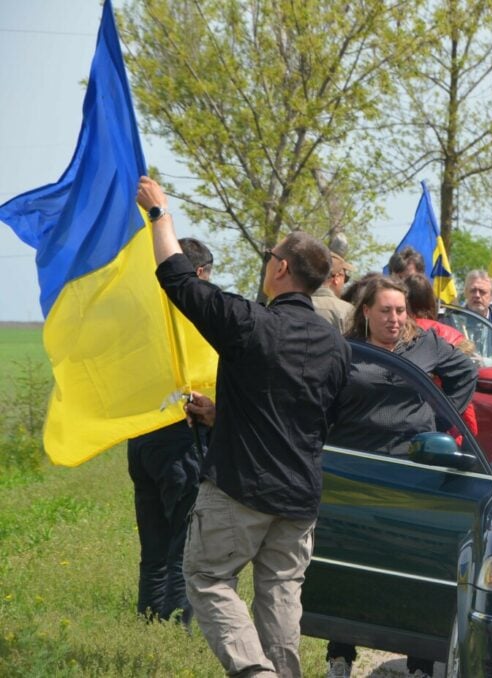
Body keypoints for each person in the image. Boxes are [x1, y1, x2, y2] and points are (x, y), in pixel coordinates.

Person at [137, 176, 350, 677]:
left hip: (241, 490)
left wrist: (159, 214)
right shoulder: (336, 347)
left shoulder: (250, 323)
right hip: (299, 499)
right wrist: (222, 413)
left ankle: (254, 672)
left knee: (207, 578)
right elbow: (313, 415)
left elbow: (178, 278)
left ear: (280, 268)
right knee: (279, 595)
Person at [325, 275, 476, 678]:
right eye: (386, 311)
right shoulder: (346, 350)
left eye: (400, 310)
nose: (394, 319)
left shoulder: (425, 344)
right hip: (356, 469)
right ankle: (340, 654)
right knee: (353, 564)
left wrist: (440, 424)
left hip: (412, 469)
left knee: (411, 563)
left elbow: (465, 373)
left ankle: (420, 664)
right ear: (367, 312)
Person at [126, 237, 214, 626]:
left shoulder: (140, 319)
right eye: (207, 276)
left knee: (153, 546)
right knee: (183, 546)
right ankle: (178, 626)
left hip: (140, 438)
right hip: (180, 441)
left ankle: (148, 620)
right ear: (197, 273)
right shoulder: (195, 318)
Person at [406, 272, 479, 436]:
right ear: (430, 300)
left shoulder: (392, 333)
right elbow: (467, 413)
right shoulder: (450, 336)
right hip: (444, 435)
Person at [312, 252, 356, 333]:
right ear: (336, 278)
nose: (344, 283)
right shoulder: (348, 311)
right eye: (345, 278)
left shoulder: (294, 304)